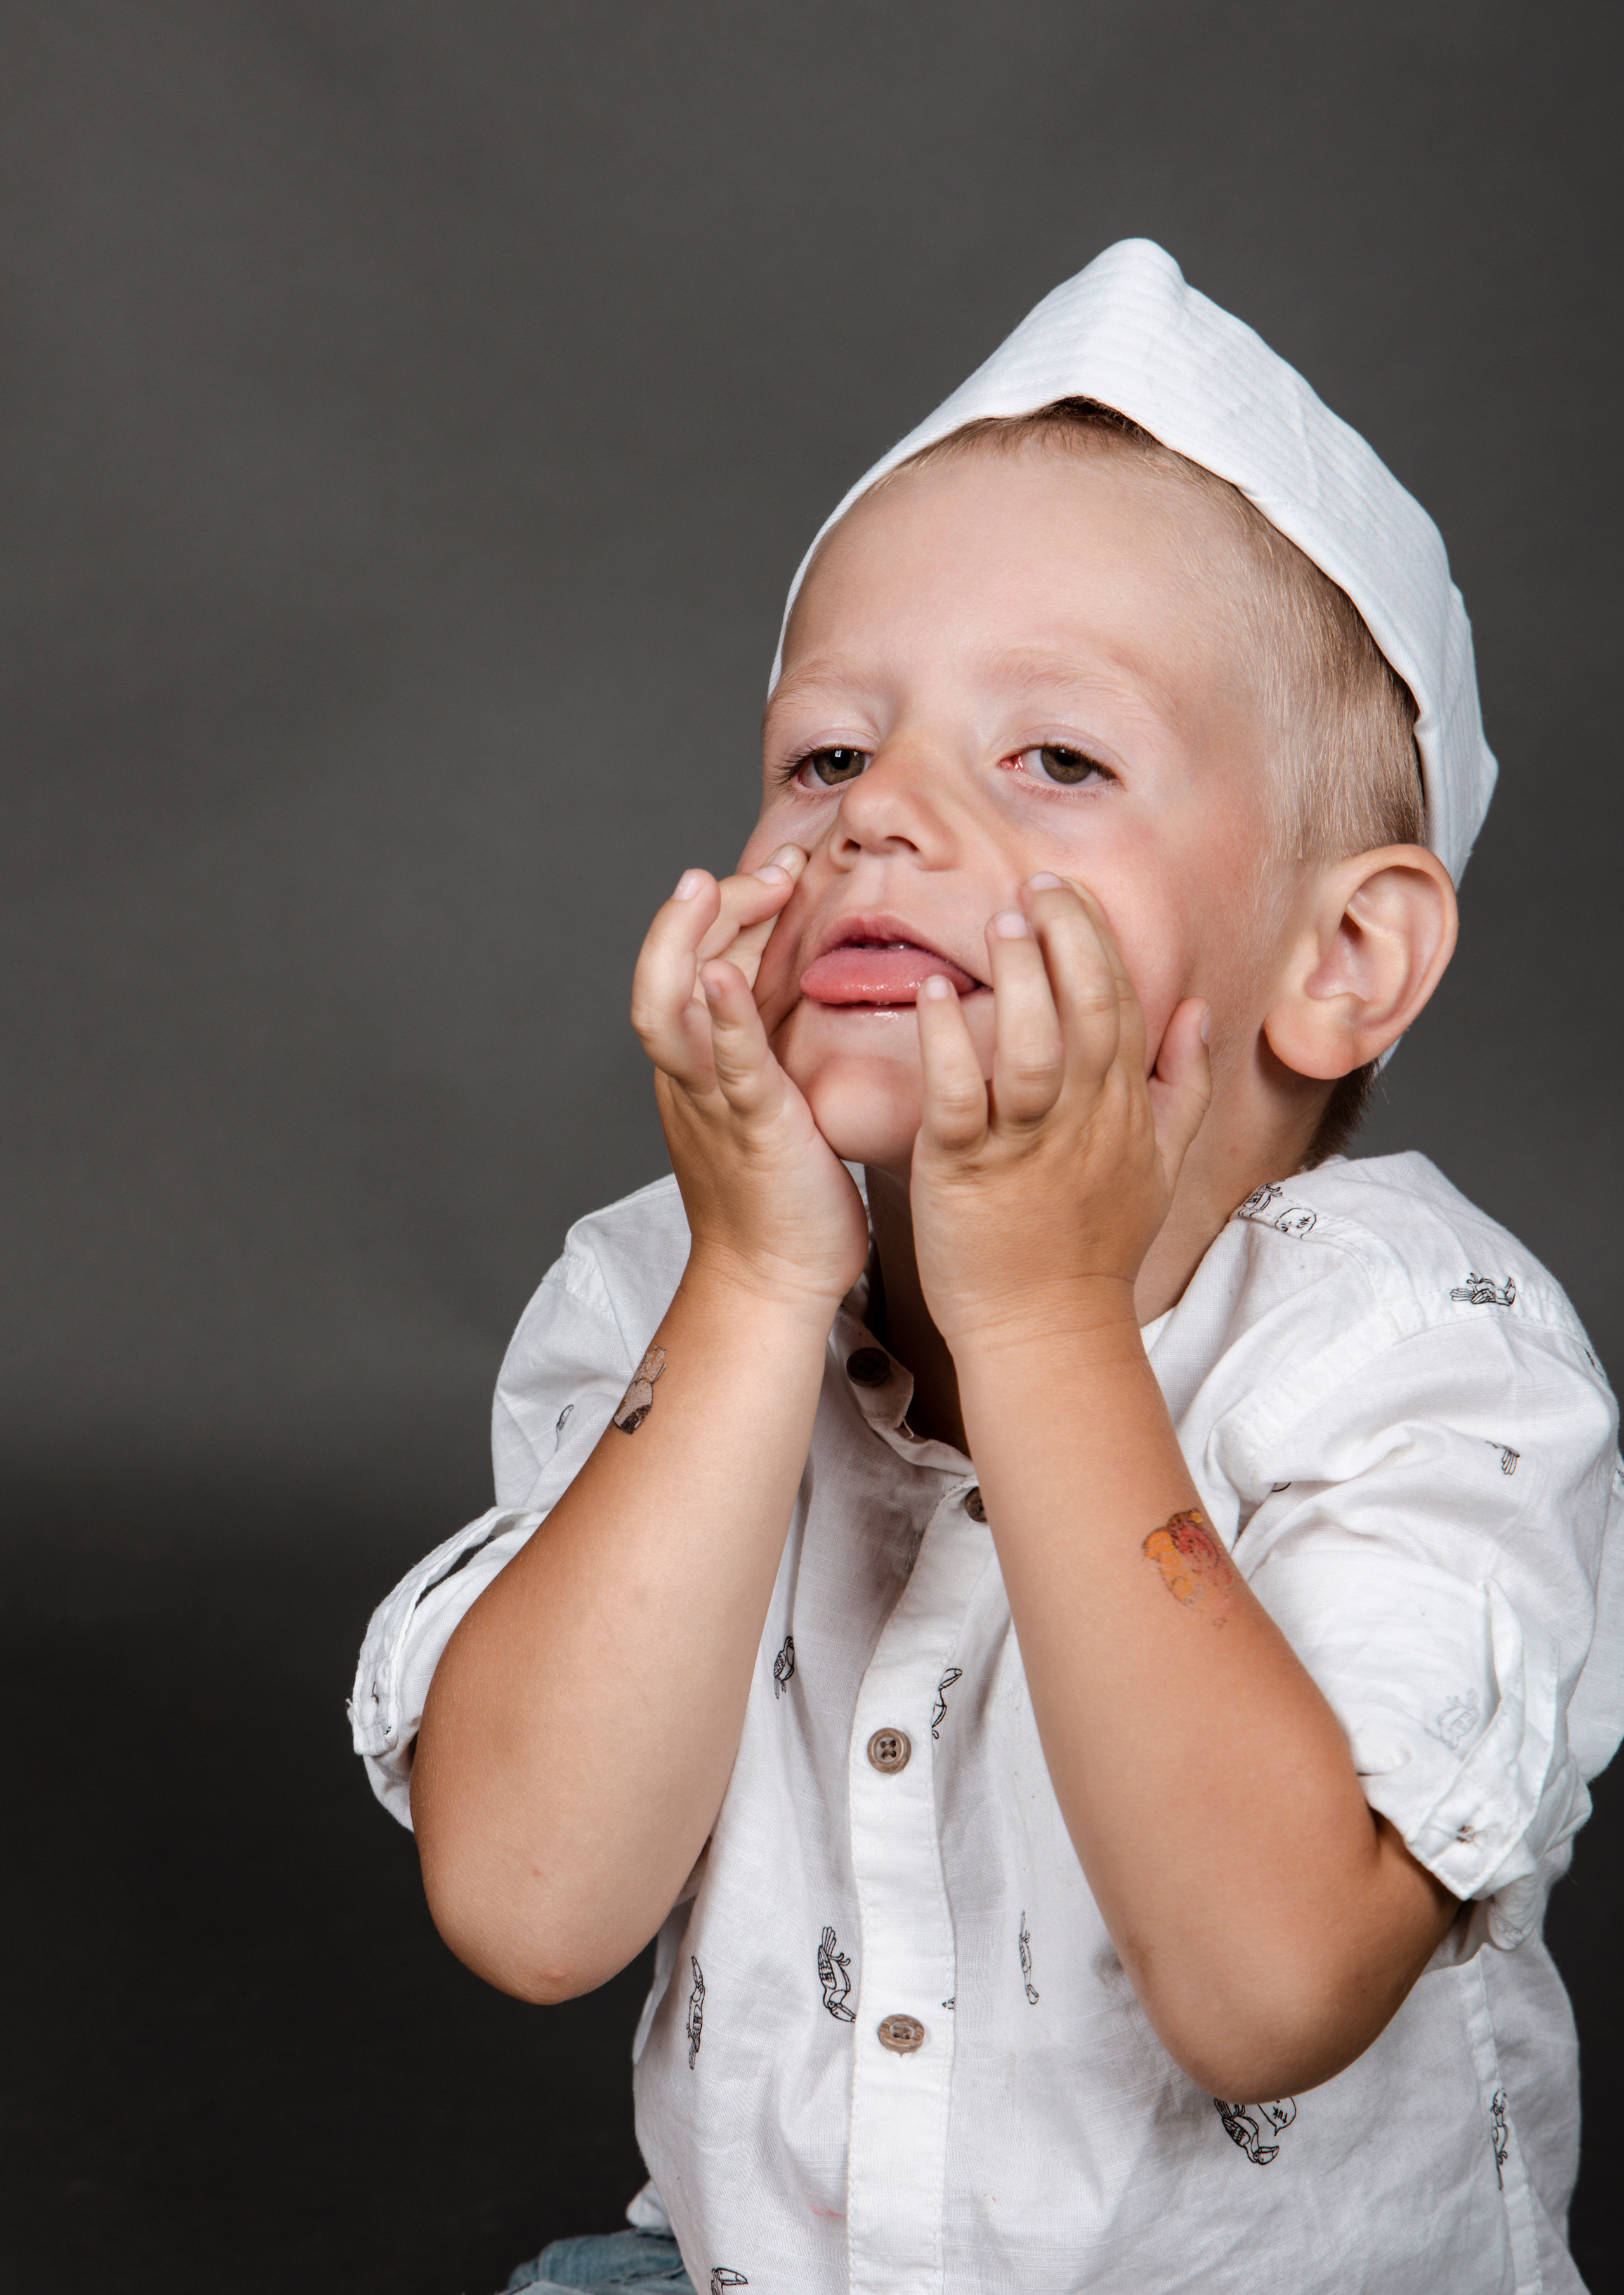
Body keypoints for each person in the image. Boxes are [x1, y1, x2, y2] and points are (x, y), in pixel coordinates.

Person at [349, 240, 1624, 2294]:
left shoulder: (1430, 1362)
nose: (883, 822)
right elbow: (529, 1895)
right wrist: (759, 1290)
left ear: (1343, 960)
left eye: (1059, 760)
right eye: (829, 757)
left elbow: (1273, 1984)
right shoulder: (668, 1284)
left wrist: (1040, 1310)